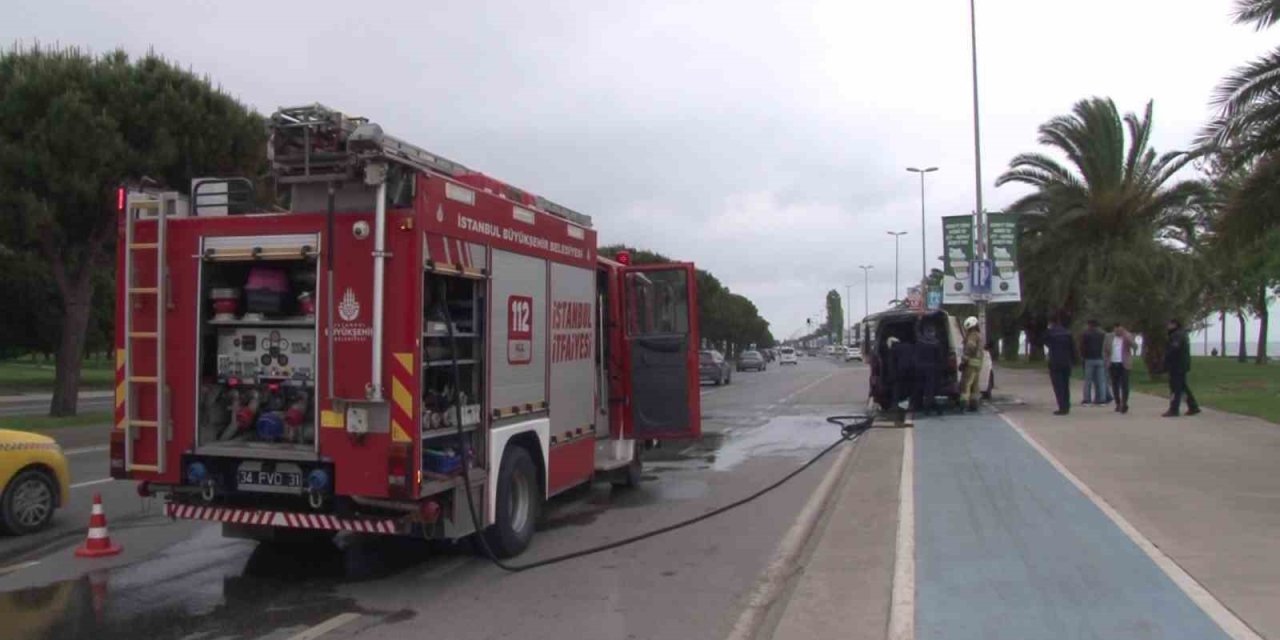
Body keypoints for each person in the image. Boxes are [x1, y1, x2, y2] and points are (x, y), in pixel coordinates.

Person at [1163, 319, 1200, 417]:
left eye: (1169, 324)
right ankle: (1193, 406)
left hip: (1177, 366)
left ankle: (1174, 409)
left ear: (1174, 324)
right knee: (1183, 387)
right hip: (1181, 365)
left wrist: (1166, 358)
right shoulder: (1182, 334)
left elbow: (1174, 349)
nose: (1167, 326)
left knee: (1175, 388)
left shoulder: (1176, 335)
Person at [1045, 314, 1077, 415]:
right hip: (1066, 362)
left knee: (1058, 386)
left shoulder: (1050, 333)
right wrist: (1074, 360)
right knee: (1066, 384)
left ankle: (1062, 407)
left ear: (1050, 323)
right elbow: (1073, 348)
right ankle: (1067, 406)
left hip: (1055, 361)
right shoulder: (1067, 333)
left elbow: (1045, 342)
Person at [1104, 322, 1135, 414]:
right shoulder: (1109, 337)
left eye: (1120, 329)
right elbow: (1105, 350)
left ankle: (1124, 403)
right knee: (1115, 384)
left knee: (1125, 384)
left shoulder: (1127, 336)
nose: (1118, 331)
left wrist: (1127, 337)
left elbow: (1135, 346)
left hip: (1124, 364)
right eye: (1116, 329)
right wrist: (1106, 361)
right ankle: (1118, 403)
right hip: (1113, 363)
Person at [913, 325, 943, 416]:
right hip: (931, 369)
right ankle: (929, 408)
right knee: (930, 389)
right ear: (933, 332)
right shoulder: (936, 343)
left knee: (920, 387)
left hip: (920, 368)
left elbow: (915, 354)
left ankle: (919, 405)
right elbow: (939, 358)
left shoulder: (920, 341)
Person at [1079, 319, 1110, 406]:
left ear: (1090, 325)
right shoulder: (1103, 334)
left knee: (1088, 381)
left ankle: (1087, 400)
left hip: (1089, 359)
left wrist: (1082, 356)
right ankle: (1102, 399)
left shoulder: (1085, 334)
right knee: (1101, 380)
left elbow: (1082, 347)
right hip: (1100, 358)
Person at [886, 336, 916, 422]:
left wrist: (891, 378)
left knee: (897, 393)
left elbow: (891, 365)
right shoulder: (909, 346)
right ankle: (911, 407)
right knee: (910, 391)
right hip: (911, 372)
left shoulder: (893, 349)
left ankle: (896, 412)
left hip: (899, 374)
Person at [959, 316, 983, 412]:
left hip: (970, 364)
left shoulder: (972, 335)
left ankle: (963, 404)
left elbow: (970, 347)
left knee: (965, 384)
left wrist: (963, 361)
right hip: (977, 365)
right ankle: (974, 404)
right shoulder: (978, 335)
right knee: (975, 385)